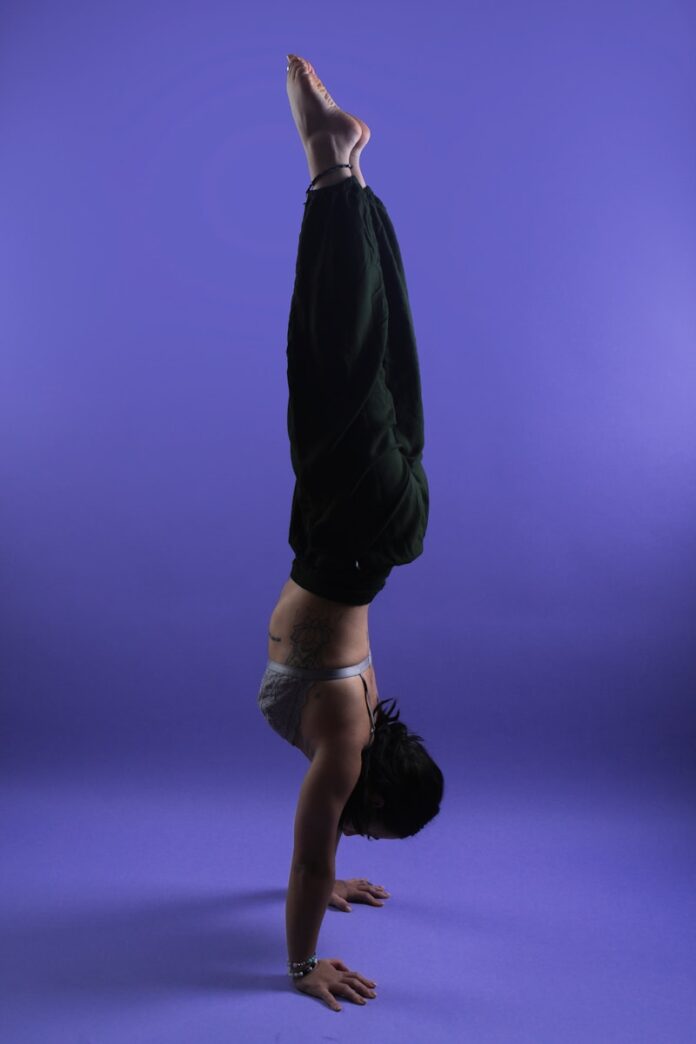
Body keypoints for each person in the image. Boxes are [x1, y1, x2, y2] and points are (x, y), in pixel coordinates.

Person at [256, 54, 444, 1012]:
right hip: (348, 530)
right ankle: (331, 167)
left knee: (384, 358)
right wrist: (302, 963)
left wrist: (332, 881)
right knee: (334, 362)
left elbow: (318, 855)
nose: (345, 835)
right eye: (361, 830)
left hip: (389, 536)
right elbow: (302, 856)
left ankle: (356, 177)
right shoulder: (339, 741)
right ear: (367, 791)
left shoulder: (366, 713)